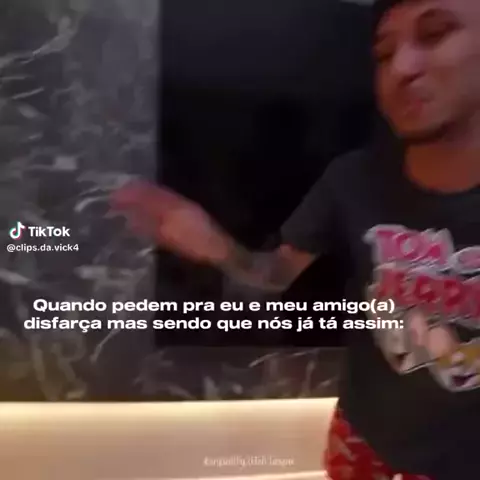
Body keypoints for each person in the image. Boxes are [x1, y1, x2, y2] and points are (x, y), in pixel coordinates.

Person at [111, 0, 480, 478]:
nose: (402, 68)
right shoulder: (353, 180)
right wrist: (215, 245)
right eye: (384, 53)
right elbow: (272, 277)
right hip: (362, 444)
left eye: (435, 33)